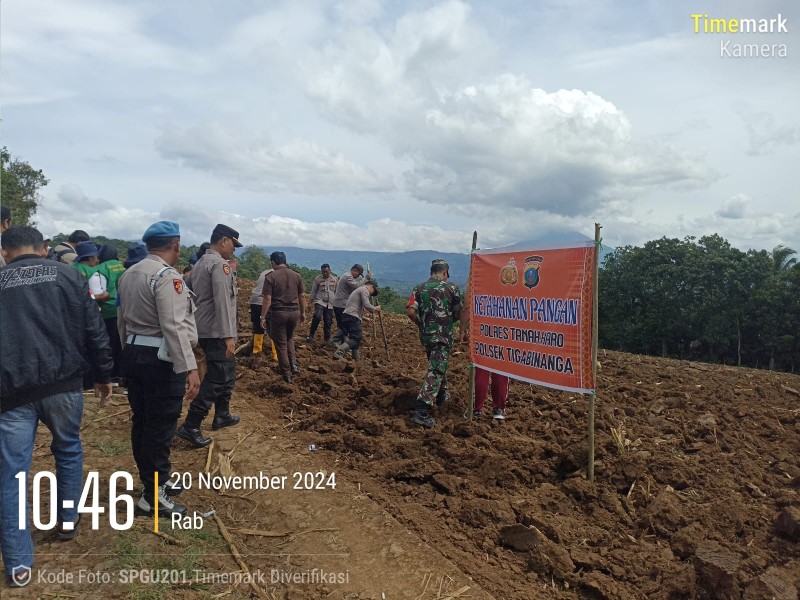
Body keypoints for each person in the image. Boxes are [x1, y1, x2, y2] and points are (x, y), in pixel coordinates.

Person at [0, 226, 113, 587]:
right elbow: (93, 327)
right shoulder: (67, 275)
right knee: (67, 449)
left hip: (11, 392)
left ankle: (18, 563)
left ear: (5, 252)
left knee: (13, 472)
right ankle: (67, 519)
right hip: (64, 385)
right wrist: (102, 374)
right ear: (44, 248)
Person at [117, 221, 200, 517]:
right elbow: (174, 326)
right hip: (161, 358)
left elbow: (122, 321)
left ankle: (155, 482)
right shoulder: (167, 277)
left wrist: (130, 355)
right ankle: (154, 496)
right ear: (175, 244)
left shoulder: (130, 273)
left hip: (135, 353)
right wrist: (189, 367)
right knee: (161, 426)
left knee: (143, 421)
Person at [176, 224, 242, 448]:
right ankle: (191, 424)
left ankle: (222, 414)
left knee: (228, 371)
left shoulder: (200, 263)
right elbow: (222, 302)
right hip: (216, 331)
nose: (234, 249)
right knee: (217, 377)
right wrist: (228, 335)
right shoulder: (219, 265)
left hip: (202, 328)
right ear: (224, 241)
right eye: (233, 244)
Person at [407, 259, 463, 428]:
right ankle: (421, 411)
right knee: (436, 370)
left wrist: (421, 324)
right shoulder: (451, 287)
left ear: (432, 272)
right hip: (443, 335)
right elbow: (459, 311)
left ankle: (441, 395)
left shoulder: (419, 288)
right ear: (445, 272)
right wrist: (448, 323)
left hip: (426, 336)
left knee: (437, 365)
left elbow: (410, 311)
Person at [460, 295, 509, 420]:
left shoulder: (477, 277)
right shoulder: (511, 278)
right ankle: (499, 409)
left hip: (482, 331)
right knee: (501, 371)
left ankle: (476, 410)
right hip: (504, 331)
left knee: (481, 372)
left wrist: (463, 330)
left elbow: (467, 306)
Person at [260, 251, 306, 383]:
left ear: (273, 262)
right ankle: (294, 365)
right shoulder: (297, 276)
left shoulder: (270, 277)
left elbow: (267, 298)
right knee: (290, 338)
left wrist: (262, 317)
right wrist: (302, 313)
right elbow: (302, 296)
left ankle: (286, 374)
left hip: (279, 313)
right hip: (294, 312)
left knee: (280, 344)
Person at [95, 245, 126, 380]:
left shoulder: (101, 269)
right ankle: (121, 372)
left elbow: (99, 291)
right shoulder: (123, 266)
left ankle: (112, 373)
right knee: (122, 342)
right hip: (124, 309)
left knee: (110, 343)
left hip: (108, 310)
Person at [333, 280, 380, 361]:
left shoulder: (359, 290)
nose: (371, 294)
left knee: (355, 338)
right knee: (356, 338)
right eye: (373, 292)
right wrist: (376, 308)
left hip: (348, 315)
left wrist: (365, 318)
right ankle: (339, 353)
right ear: (371, 286)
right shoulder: (365, 290)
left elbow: (356, 307)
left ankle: (356, 359)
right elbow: (367, 305)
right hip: (352, 317)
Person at [331, 264, 370, 345]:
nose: (358, 276)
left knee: (344, 326)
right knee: (345, 326)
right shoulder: (347, 276)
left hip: (342, 304)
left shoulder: (348, 276)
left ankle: (343, 343)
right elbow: (357, 286)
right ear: (355, 270)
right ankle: (336, 341)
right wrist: (366, 279)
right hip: (341, 304)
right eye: (358, 274)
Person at [249, 266, 278, 359]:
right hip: (264, 301)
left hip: (254, 301)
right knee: (274, 328)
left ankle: (256, 352)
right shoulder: (277, 275)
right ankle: (276, 355)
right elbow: (269, 296)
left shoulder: (265, 272)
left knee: (257, 328)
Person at [306, 263, 338, 343]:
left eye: (326, 272)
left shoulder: (335, 279)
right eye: (323, 272)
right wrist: (310, 303)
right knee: (317, 316)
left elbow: (337, 291)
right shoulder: (318, 279)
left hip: (330, 303)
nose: (324, 273)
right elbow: (313, 291)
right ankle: (311, 335)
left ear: (330, 270)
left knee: (328, 321)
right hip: (320, 301)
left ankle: (326, 339)